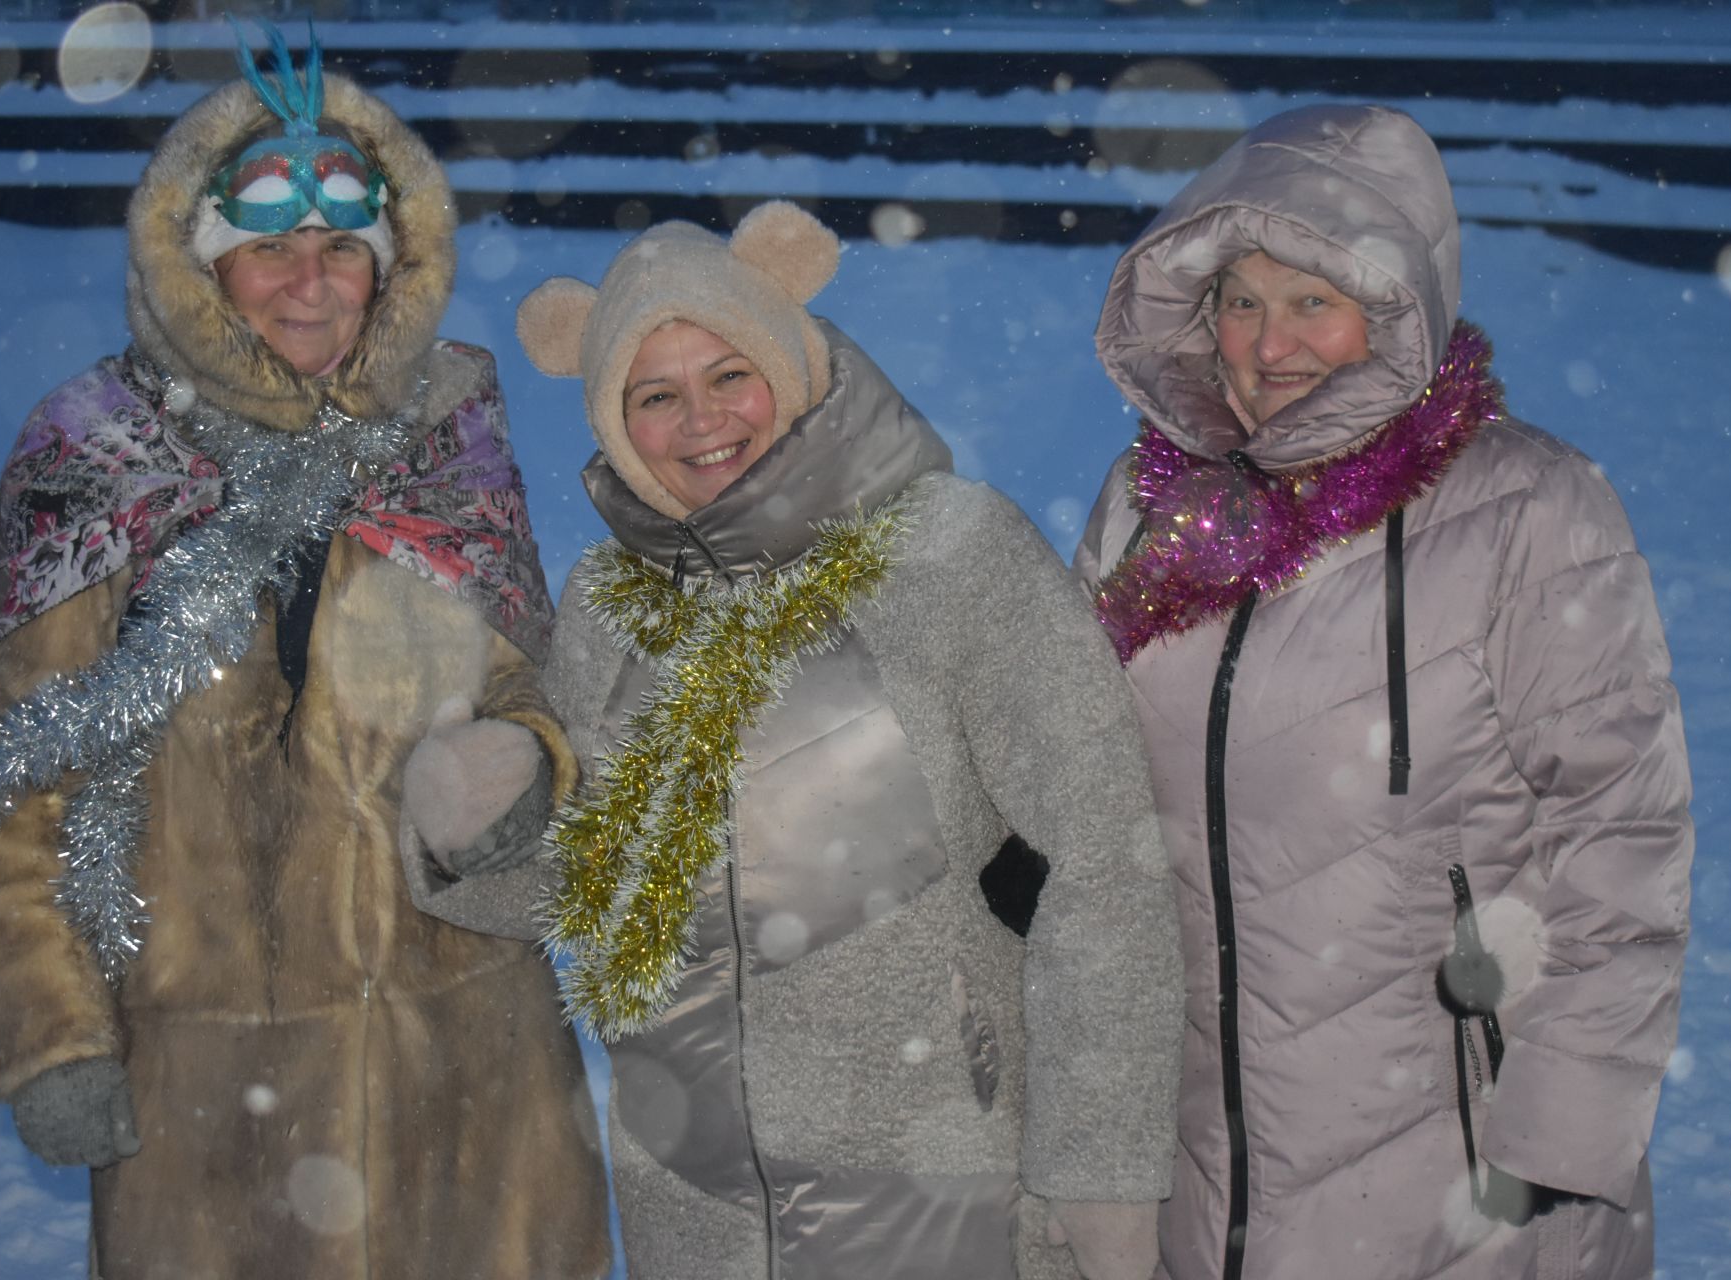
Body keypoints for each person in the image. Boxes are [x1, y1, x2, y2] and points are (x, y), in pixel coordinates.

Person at [0, 25, 608, 1280]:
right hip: (214, 1100)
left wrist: (525, 763)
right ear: (201, 266)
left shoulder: (446, 424)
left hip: (475, 1083)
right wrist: (54, 1037)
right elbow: (11, 782)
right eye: (268, 248)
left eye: (344, 246)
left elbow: (521, 682)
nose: (311, 281)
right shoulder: (91, 454)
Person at [404, 200, 1184, 1280]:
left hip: (942, 1204)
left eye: (730, 374)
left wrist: (1100, 1162)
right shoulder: (608, 610)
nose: (700, 421)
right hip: (695, 1219)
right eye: (655, 396)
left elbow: (1105, 863)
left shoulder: (953, 555)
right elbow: (581, 889)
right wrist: (476, 827)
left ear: (795, 362)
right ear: (615, 427)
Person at [1075, 103, 1694, 1279]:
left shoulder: (1528, 511)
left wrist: (1556, 1148)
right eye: (1242, 301)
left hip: (1463, 1187)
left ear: (1397, 307)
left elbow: (1621, 837)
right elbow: (1075, 768)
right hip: (1206, 1182)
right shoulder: (1152, 509)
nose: (1271, 342)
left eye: (1315, 299)